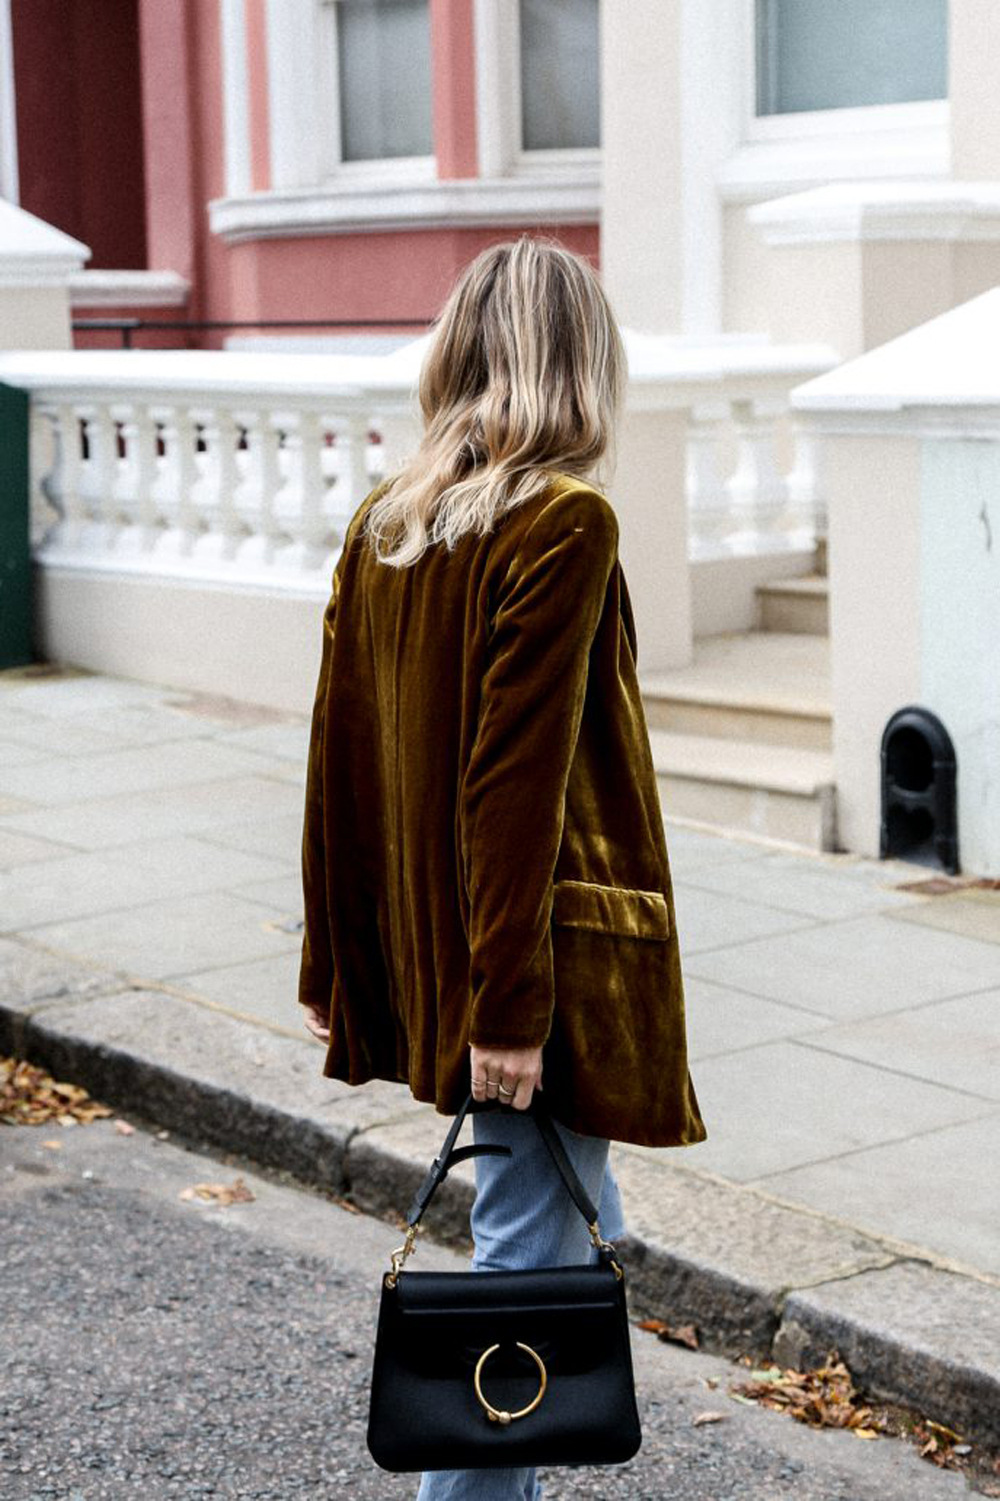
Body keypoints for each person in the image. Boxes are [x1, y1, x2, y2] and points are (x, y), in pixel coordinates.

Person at [298, 235, 707, 1500]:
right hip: (527, 960)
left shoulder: (387, 523)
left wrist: (333, 960)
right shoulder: (565, 521)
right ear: (582, 363)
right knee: (523, 1278)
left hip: (449, 945)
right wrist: (512, 1011)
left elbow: (336, 765)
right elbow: (512, 788)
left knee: (564, 1230)